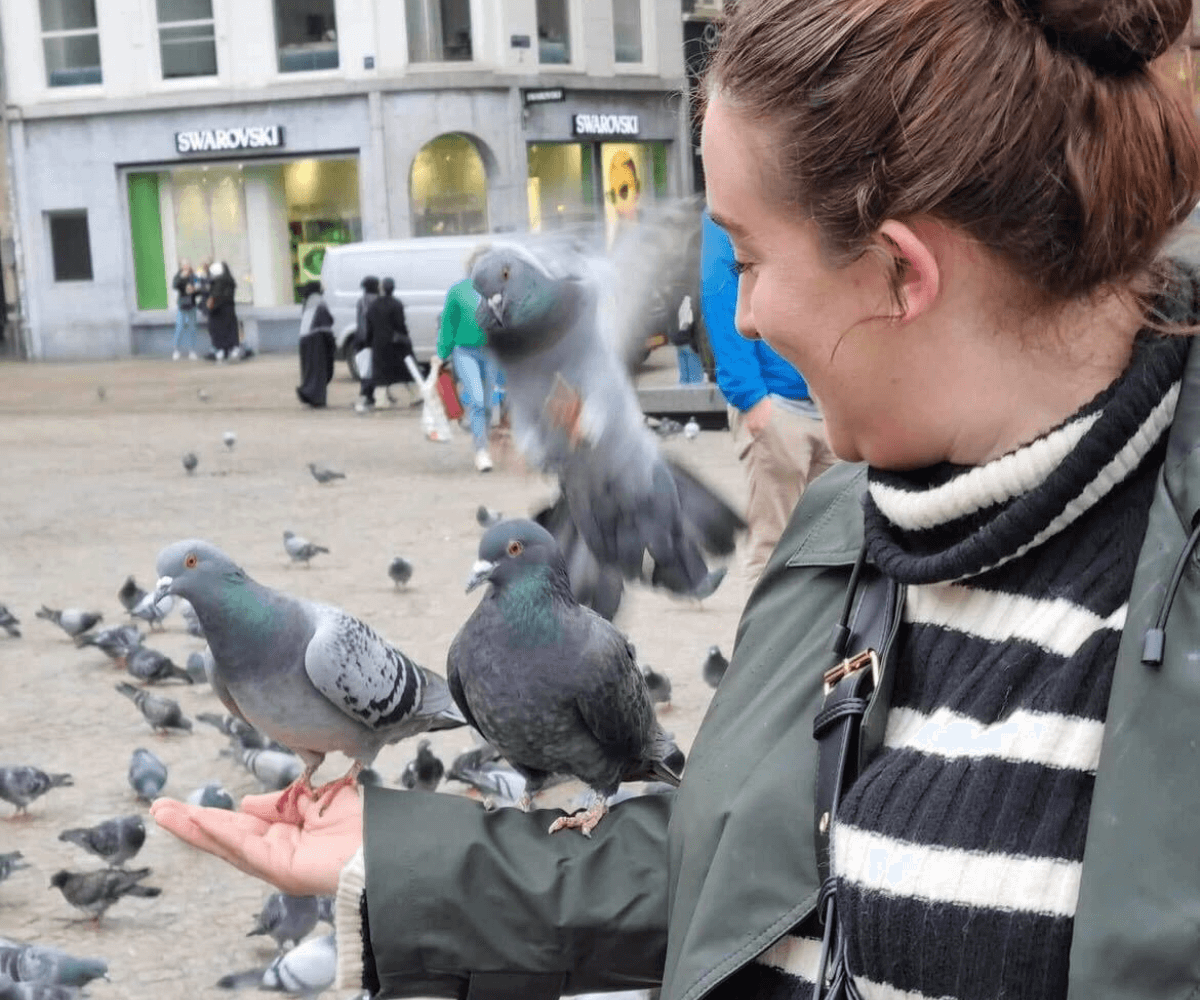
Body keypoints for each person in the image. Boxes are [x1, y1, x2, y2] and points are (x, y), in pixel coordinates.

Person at [149, 2, 1200, 999]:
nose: (735, 314)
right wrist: (413, 863)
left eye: (746, 259)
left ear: (897, 272)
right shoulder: (838, 538)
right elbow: (750, 861)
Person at [701, 209, 838, 586]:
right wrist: (752, 398)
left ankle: (814, 644)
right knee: (772, 551)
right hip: (777, 408)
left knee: (830, 548)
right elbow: (720, 294)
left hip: (828, 405)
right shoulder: (727, 209)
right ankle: (767, 646)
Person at [436, 245, 500, 472]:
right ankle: (481, 451)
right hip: (465, 351)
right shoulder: (458, 291)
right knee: (477, 398)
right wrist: (441, 354)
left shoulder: (499, 291)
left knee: (489, 403)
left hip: (492, 352)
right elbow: (448, 325)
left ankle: (484, 439)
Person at [358, 276, 412, 413]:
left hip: (378, 343)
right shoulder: (397, 304)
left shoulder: (374, 305)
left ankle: (381, 401)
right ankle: (416, 395)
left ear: (382, 288)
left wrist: (369, 342)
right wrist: (405, 337)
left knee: (380, 373)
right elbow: (401, 324)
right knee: (404, 370)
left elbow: (369, 326)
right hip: (394, 343)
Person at [295, 280, 336, 408]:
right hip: (317, 339)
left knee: (309, 370)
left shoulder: (307, 301)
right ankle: (316, 398)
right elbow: (325, 321)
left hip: (304, 339)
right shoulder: (319, 301)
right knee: (318, 371)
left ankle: (308, 393)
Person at [205, 260, 239, 362]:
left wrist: (210, 304)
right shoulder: (230, 281)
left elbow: (214, 296)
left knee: (218, 331)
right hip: (229, 310)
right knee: (230, 330)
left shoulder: (218, 282)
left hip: (218, 312)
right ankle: (232, 349)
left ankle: (221, 351)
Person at [170, 259, 199, 361]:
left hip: (192, 305)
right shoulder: (179, 276)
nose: (187, 267)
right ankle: (176, 350)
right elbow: (175, 285)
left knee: (192, 328)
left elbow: (198, 287)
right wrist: (183, 277)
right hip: (182, 306)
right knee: (180, 328)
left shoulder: (194, 276)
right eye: (185, 265)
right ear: (182, 267)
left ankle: (192, 351)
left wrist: (195, 290)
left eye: (188, 265)